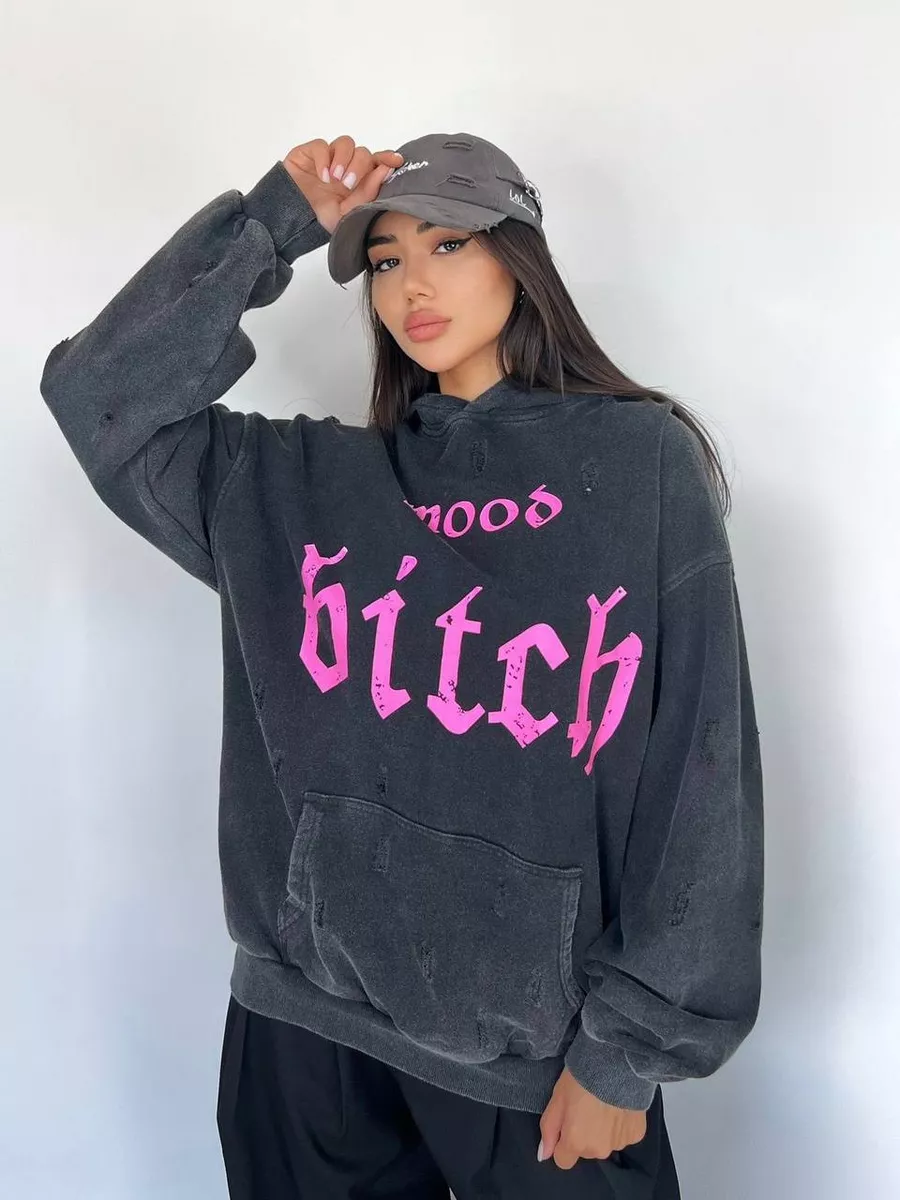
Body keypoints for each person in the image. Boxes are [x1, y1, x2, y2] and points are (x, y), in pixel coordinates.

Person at [39, 130, 765, 1199]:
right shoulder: (298, 487)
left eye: (448, 244)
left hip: (537, 1060)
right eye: (384, 260)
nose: (412, 284)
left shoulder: (636, 464)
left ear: (517, 253)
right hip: (304, 1036)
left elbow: (700, 769)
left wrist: (629, 1053)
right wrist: (274, 222)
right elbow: (97, 397)